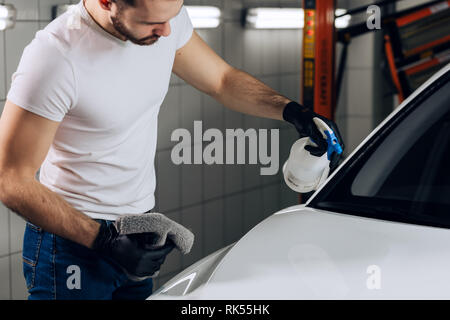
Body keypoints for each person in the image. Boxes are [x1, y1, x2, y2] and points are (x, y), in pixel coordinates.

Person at [0, 0, 344, 299]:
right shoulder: (56, 57)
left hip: (137, 234)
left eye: (173, 15)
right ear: (107, 2)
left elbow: (221, 80)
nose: (167, 31)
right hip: (71, 245)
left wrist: (292, 111)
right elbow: (10, 180)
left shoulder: (167, 22)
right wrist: (102, 241)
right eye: (152, 22)